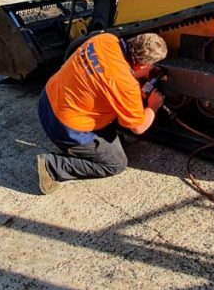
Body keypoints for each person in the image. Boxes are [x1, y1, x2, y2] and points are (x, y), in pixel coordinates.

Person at [36, 32, 168, 194]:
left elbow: (103, 78)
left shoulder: (105, 39)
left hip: (47, 101)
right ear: (141, 66)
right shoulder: (125, 84)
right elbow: (139, 127)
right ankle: (52, 166)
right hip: (64, 127)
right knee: (115, 164)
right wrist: (153, 106)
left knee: (115, 134)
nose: (152, 70)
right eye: (151, 67)